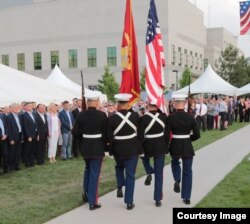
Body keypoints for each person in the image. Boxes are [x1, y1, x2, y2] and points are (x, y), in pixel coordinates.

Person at [107, 93, 143, 210]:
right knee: (130, 174)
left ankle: (119, 186)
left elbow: (109, 137)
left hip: (118, 148)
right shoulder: (135, 116)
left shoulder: (111, 118)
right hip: (132, 148)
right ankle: (129, 201)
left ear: (118, 104)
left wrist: (110, 150)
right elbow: (140, 132)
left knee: (119, 167)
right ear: (128, 104)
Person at [72, 91, 107, 210]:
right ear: (96, 102)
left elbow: (75, 132)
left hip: (85, 147)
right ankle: (93, 201)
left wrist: (83, 141)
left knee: (88, 170)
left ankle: (86, 194)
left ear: (87, 102)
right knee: (94, 174)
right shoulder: (102, 115)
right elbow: (106, 133)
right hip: (97, 147)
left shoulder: (81, 115)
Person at [167, 94, 200, 205]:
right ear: (184, 103)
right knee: (187, 171)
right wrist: (188, 138)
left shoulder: (170, 118)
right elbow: (197, 135)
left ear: (175, 104)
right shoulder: (190, 117)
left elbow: (166, 135)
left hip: (175, 144)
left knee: (175, 162)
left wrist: (167, 146)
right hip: (187, 145)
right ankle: (186, 197)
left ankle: (177, 179)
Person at [138, 101, 169, 207]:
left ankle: (149, 171)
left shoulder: (142, 119)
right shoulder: (163, 117)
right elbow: (166, 134)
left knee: (144, 158)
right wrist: (166, 146)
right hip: (160, 146)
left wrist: (140, 148)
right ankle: (158, 199)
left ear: (148, 106)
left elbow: (140, 136)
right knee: (159, 174)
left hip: (147, 146)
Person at [22, 102, 39, 168]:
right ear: (25, 107)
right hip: (29, 136)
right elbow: (25, 126)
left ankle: (32, 163)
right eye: (29, 106)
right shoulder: (24, 115)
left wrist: (37, 134)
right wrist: (28, 136)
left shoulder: (34, 114)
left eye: (31, 106)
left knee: (32, 150)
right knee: (27, 150)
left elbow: (36, 125)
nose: (30, 107)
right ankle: (27, 163)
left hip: (34, 134)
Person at [7, 103, 23, 171]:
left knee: (18, 151)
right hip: (13, 136)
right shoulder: (9, 116)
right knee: (12, 152)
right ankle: (11, 166)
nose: (17, 109)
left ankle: (17, 165)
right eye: (16, 108)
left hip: (19, 135)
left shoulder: (18, 115)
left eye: (18, 107)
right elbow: (8, 129)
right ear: (12, 108)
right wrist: (11, 139)